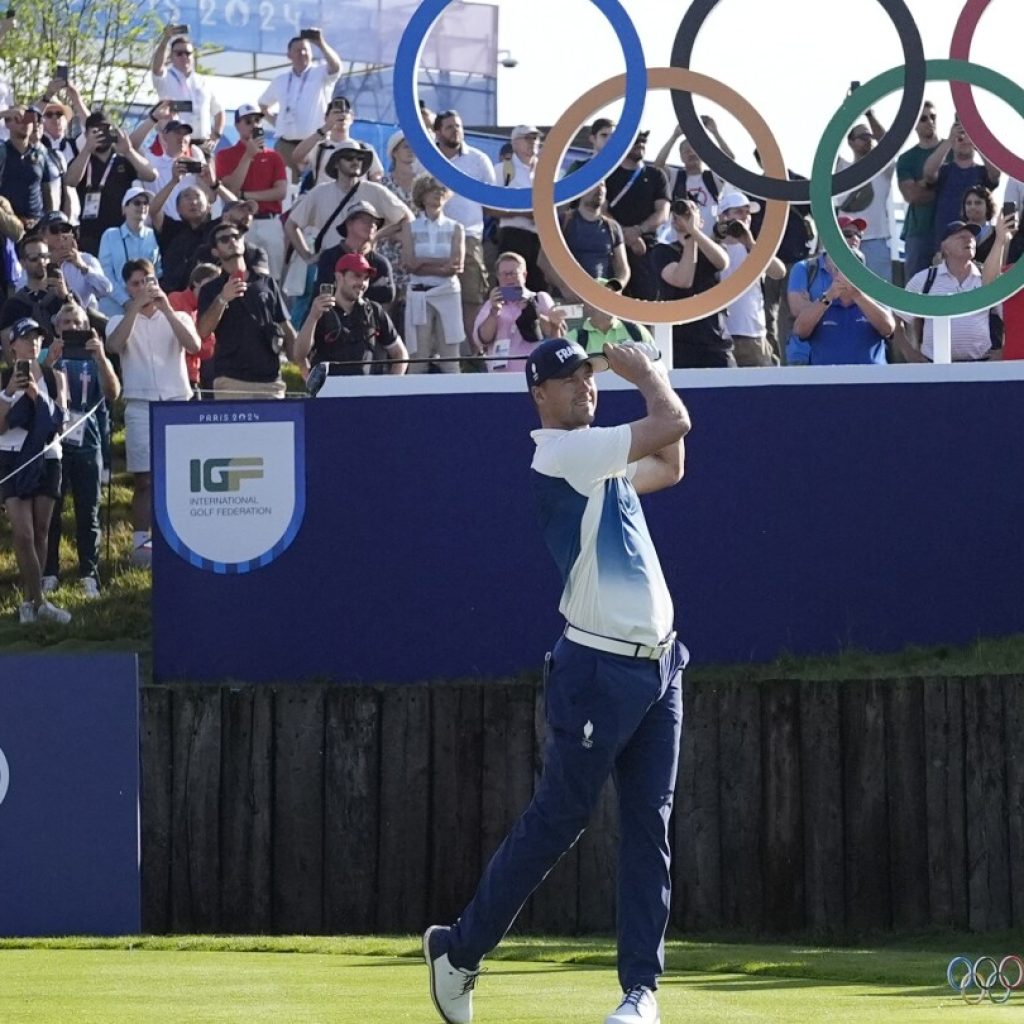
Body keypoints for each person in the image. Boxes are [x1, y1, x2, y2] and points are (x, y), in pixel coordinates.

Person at [423, 336, 691, 1024]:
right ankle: (458, 953)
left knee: (647, 827)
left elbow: (670, 463)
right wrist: (648, 373)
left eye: (588, 377)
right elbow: (672, 425)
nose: (585, 387)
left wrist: (643, 379)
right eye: (569, 380)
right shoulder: (563, 453)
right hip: (597, 671)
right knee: (557, 822)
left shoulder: (602, 466)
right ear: (538, 394)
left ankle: (640, 994)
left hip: (661, 668)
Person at [106, 258, 200, 565]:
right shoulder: (117, 320)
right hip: (140, 405)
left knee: (181, 475)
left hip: (177, 402)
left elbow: (194, 345)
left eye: (146, 280)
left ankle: (182, 534)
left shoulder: (180, 316)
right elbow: (115, 345)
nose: (143, 287)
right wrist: (135, 308)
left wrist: (167, 311)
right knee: (144, 479)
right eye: (135, 283)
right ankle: (141, 543)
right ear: (127, 288)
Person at [40, 303, 120, 597]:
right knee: (52, 513)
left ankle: (89, 573)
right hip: (54, 444)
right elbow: (36, 389)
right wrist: (51, 359)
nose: (73, 327)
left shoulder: (95, 357)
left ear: (87, 326)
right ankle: (50, 572)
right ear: (57, 327)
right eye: (68, 322)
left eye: (78, 322)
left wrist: (100, 356)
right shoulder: (48, 354)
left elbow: (113, 393)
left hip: (88, 443)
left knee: (89, 512)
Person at [0, 317, 71, 624]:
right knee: (23, 533)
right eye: (27, 338)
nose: (33, 343)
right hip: (12, 457)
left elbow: (60, 421)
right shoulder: (4, 379)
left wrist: (35, 395)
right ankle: (40, 601)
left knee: (42, 531)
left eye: (38, 338)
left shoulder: (55, 378)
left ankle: (30, 602)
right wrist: (9, 394)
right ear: (13, 345)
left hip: (47, 456)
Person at [195, 223, 296, 399]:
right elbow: (203, 331)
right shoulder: (211, 289)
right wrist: (222, 298)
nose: (232, 241)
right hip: (231, 381)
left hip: (271, 381)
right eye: (224, 239)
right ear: (215, 251)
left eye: (236, 236)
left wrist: (301, 361)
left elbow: (285, 325)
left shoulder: (267, 283)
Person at [433, 109, 496, 353]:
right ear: (438, 132)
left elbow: (492, 201)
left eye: (458, 126)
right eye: (449, 127)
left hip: (470, 238)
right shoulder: (426, 160)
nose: (455, 131)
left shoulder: (478, 159)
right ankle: (441, 356)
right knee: (437, 298)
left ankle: (475, 354)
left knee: (472, 298)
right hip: (434, 238)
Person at [293, 251, 408, 376]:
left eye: (366, 278)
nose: (362, 283)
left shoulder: (374, 310)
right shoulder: (320, 309)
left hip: (366, 392)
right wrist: (313, 317)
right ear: (339, 277)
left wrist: (390, 389)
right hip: (331, 391)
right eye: (357, 276)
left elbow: (400, 354)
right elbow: (299, 355)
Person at [651, 197, 731, 367]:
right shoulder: (662, 251)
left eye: (692, 211)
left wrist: (694, 231)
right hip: (681, 343)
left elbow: (723, 262)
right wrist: (690, 237)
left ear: (701, 221)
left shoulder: (711, 249)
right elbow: (683, 279)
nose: (684, 215)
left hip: (715, 340)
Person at [66, 110, 157, 254]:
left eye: (106, 129)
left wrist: (128, 151)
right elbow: (70, 181)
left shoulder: (122, 160)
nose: (102, 134)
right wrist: (87, 149)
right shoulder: (82, 160)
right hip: (90, 235)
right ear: (86, 134)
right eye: (96, 131)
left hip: (120, 233)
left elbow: (151, 175)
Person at [787, 245, 895, 365]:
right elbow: (800, 330)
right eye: (843, 269)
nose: (849, 275)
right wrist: (829, 296)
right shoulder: (823, 303)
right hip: (828, 380)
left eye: (855, 269)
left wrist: (858, 296)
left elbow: (888, 328)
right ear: (833, 273)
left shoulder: (874, 300)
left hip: (871, 379)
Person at [400, 174, 464, 373]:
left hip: (448, 292)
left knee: (450, 356)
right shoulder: (411, 227)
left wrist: (423, 262)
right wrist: (440, 265)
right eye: (433, 190)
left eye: (441, 191)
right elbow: (409, 264)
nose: (438, 194)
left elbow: (456, 266)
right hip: (420, 293)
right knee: (418, 355)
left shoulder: (456, 227)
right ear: (422, 194)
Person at [214, 105, 288, 279]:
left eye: (257, 120)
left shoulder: (274, 156)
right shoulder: (225, 155)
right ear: (237, 125)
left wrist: (246, 196)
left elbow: (280, 192)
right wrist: (248, 156)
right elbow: (230, 190)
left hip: (269, 221)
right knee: (241, 273)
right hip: (240, 225)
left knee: (274, 277)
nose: (254, 125)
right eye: (248, 121)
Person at [903, 221, 992, 362]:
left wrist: (1000, 354)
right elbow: (898, 316)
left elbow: (1008, 316)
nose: (969, 239)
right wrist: (911, 354)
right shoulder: (924, 279)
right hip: (935, 369)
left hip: (980, 367)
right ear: (945, 248)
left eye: (972, 237)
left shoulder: (986, 278)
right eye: (961, 236)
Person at [258, 29, 343, 174]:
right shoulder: (281, 80)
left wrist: (320, 44)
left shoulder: (320, 74)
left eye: (305, 50)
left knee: (314, 186)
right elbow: (263, 104)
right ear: (289, 55)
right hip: (286, 146)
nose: (302, 53)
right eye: (297, 50)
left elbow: (336, 67)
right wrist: (277, 122)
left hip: (315, 144)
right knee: (286, 187)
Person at [716, 192, 786, 365]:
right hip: (722, 335)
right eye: (739, 212)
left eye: (748, 212)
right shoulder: (714, 247)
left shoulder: (755, 246)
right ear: (724, 216)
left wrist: (749, 243)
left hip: (753, 333)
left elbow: (778, 272)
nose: (746, 217)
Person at [604, 130, 670, 301]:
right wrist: (625, 235)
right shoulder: (607, 174)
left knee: (647, 301)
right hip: (612, 247)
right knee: (612, 299)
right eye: (635, 141)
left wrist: (639, 231)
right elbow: (601, 210)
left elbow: (663, 212)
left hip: (646, 249)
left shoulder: (656, 175)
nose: (640, 144)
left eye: (643, 141)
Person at [472, 251, 564, 371]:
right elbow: (481, 339)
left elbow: (557, 334)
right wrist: (494, 312)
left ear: (524, 275)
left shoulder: (540, 298)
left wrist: (532, 311)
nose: (509, 278)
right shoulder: (491, 304)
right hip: (500, 377)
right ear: (498, 277)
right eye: (504, 274)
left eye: (514, 273)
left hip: (536, 372)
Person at [923, 116, 999, 254]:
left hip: (978, 245)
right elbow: (928, 173)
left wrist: (978, 142)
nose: (964, 140)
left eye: (967, 135)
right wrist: (950, 140)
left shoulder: (982, 171)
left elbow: (996, 174)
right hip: (945, 243)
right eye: (960, 136)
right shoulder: (944, 171)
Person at [833, 115, 894, 281]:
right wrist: (849, 110)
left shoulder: (883, 170)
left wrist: (870, 114)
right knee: (844, 292)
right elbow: (829, 144)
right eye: (862, 137)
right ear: (851, 142)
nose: (868, 140)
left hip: (876, 242)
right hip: (844, 240)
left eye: (870, 136)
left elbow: (890, 143)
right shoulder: (841, 168)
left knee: (880, 298)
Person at [544, 180, 630, 296]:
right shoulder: (562, 221)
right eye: (594, 185)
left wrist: (615, 288)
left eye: (602, 185)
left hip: (599, 298)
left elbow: (623, 269)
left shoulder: (612, 228)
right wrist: (564, 288)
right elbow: (543, 261)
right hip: (567, 298)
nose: (599, 189)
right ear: (581, 191)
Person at [149, 26, 224, 152]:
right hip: (175, 143)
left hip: (201, 144)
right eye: (179, 53)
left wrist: (216, 135)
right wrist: (166, 39)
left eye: (188, 53)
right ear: (170, 57)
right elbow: (157, 68)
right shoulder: (166, 77)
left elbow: (219, 111)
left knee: (208, 171)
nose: (184, 56)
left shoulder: (203, 81)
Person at [493, 125, 546, 293]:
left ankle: (536, 319)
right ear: (514, 143)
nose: (533, 143)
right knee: (510, 287)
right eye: (528, 138)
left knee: (538, 288)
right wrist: (523, 213)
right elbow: (489, 208)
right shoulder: (502, 170)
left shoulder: (547, 172)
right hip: (513, 235)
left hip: (541, 238)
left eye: (536, 138)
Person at [290, 96, 385, 186]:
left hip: (357, 200)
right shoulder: (319, 148)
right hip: (326, 200)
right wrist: (325, 129)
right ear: (326, 118)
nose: (341, 115)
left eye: (345, 112)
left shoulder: (364, 148)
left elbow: (376, 176)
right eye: (336, 112)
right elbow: (297, 157)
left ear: (352, 117)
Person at [97, 186, 161, 316]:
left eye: (145, 203)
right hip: (115, 305)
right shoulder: (110, 235)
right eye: (137, 202)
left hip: (147, 305)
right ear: (124, 208)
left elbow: (158, 271)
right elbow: (105, 273)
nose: (142, 206)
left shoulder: (153, 236)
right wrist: (125, 301)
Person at [895, 101, 941, 280]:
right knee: (915, 291)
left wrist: (924, 185)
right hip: (918, 232)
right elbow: (911, 195)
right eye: (923, 118)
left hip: (953, 231)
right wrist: (942, 188)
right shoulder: (907, 158)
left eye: (933, 117)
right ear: (913, 124)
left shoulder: (952, 149)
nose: (929, 121)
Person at [41, 211, 113, 313]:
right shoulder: (38, 260)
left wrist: (83, 267)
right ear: (43, 235)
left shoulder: (86, 259)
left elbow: (106, 290)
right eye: (55, 230)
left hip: (80, 321)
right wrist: (51, 264)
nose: (61, 235)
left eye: (65, 230)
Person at [0, 106, 59, 227]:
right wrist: (5, 113)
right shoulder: (2, 152)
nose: (25, 124)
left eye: (29, 120)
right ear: (7, 124)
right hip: (6, 225)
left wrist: (49, 221)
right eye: (18, 119)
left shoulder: (40, 155)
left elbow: (47, 191)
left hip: (35, 224)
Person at [167, 262, 220, 396]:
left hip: (193, 377)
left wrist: (193, 343)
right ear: (196, 282)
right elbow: (176, 339)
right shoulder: (175, 299)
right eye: (212, 282)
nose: (216, 288)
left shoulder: (211, 310)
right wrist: (195, 342)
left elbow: (207, 351)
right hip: (172, 376)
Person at [566, 278, 654, 353]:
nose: (612, 302)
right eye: (605, 297)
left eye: (614, 297)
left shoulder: (637, 331)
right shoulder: (574, 339)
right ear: (589, 304)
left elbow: (657, 364)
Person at [961, 184, 997, 263]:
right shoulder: (957, 233)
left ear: (988, 207)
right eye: (968, 203)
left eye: (978, 203)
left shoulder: (997, 233)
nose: (972, 207)